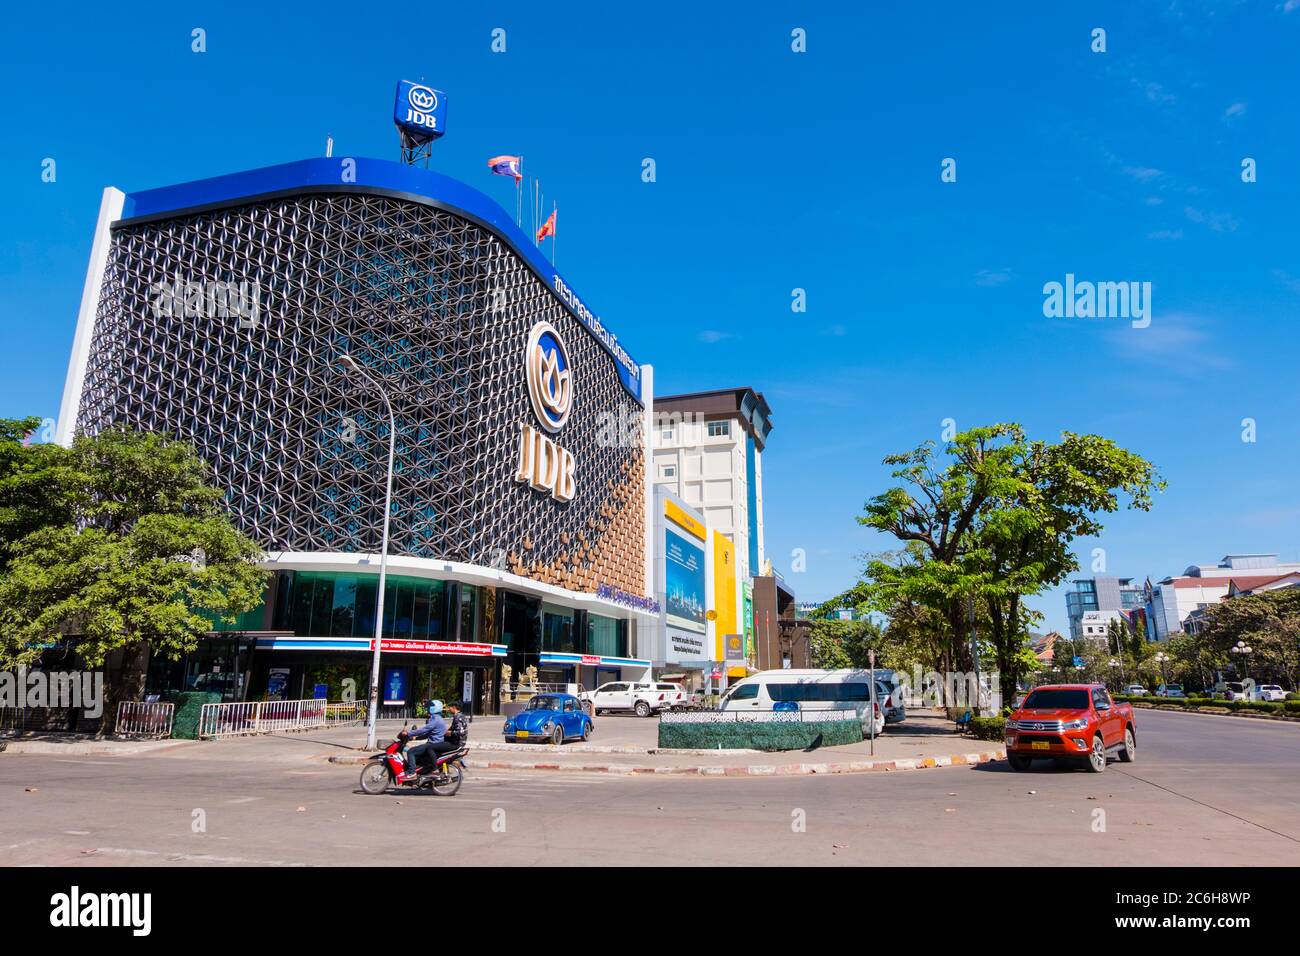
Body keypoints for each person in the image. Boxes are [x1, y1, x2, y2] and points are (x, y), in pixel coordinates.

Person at [405, 700, 446, 774]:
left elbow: (424, 729)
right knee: (418, 756)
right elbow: (428, 733)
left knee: (410, 752)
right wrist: (415, 738)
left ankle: (411, 772)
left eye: (430, 707)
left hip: (432, 744)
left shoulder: (435, 719)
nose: (428, 709)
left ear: (434, 708)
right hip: (434, 743)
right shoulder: (436, 718)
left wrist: (408, 733)